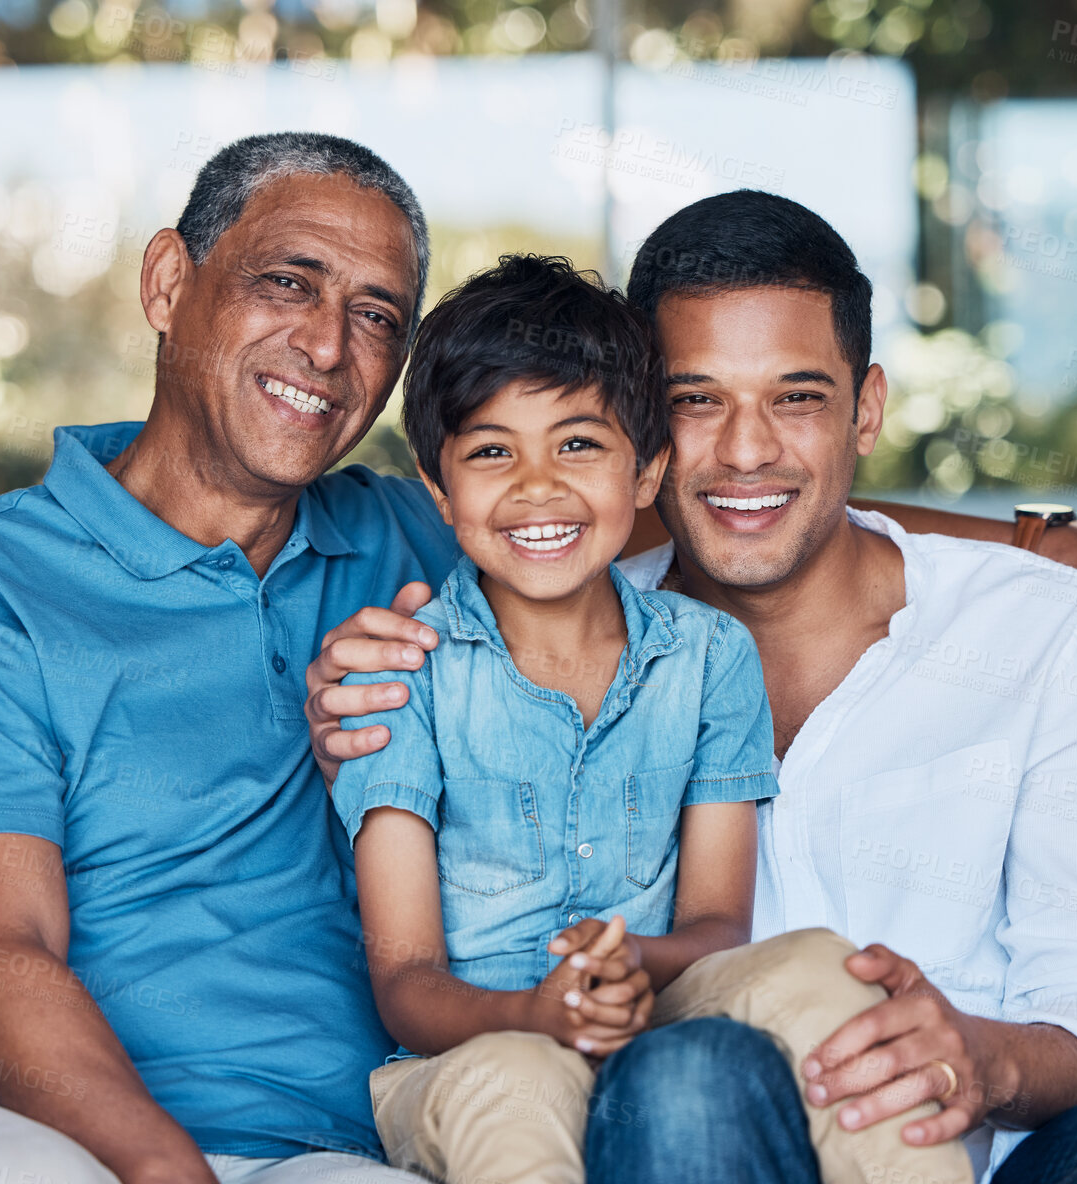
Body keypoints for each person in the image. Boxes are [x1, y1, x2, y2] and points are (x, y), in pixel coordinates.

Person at [0, 129, 1077, 1184]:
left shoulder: (420, 538)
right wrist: (168, 1179)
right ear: (169, 282)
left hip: (329, 1140)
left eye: (378, 314)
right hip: (19, 1126)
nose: (328, 343)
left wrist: (1053, 553)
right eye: (288, 283)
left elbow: (731, 491)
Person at [313, 191, 1077, 1184]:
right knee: (687, 1073)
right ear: (644, 425)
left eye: (796, 397)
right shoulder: (533, 630)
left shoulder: (1040, 628)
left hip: (1000, 1153)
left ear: (862, 413)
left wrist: (981, 1057)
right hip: (699, 1131)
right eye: (696, 399)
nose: (745, 450)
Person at [330, 254, 973, 1184]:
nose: (538, 486)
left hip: (657, 1009)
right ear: (439, 493)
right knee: (515, 1085)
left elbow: (718, 926)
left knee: (823, 969)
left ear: (647, 473)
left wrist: (628, 963)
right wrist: (537, 1015)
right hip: (470, 1047)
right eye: (490, 451)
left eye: (579, 445)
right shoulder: (404, 677)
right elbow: (405, 983)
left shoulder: (708, 657)